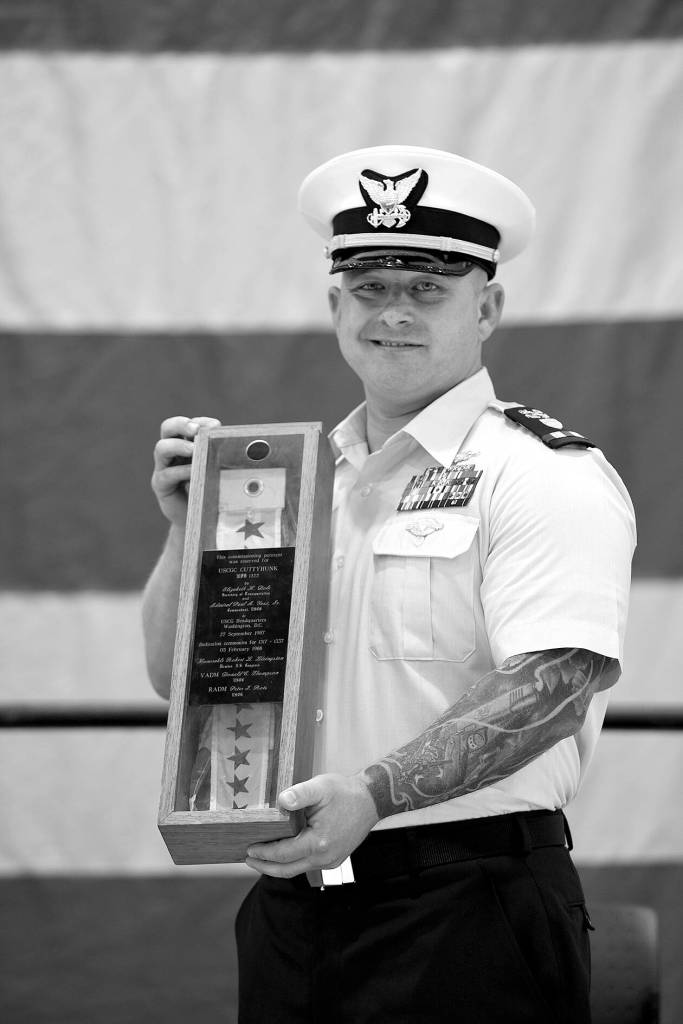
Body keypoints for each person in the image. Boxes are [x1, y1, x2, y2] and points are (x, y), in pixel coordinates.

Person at [142, 146, 636, 1024]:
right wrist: (189, 531)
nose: (394, 314)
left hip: (469, 909)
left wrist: (371, 795)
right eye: (370, 288)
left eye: (428, 289)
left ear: (486, 308)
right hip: (298, 905)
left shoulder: (540, 474)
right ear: (336, 304)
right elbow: (182, 682)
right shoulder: (287, 481)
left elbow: (555, 683)